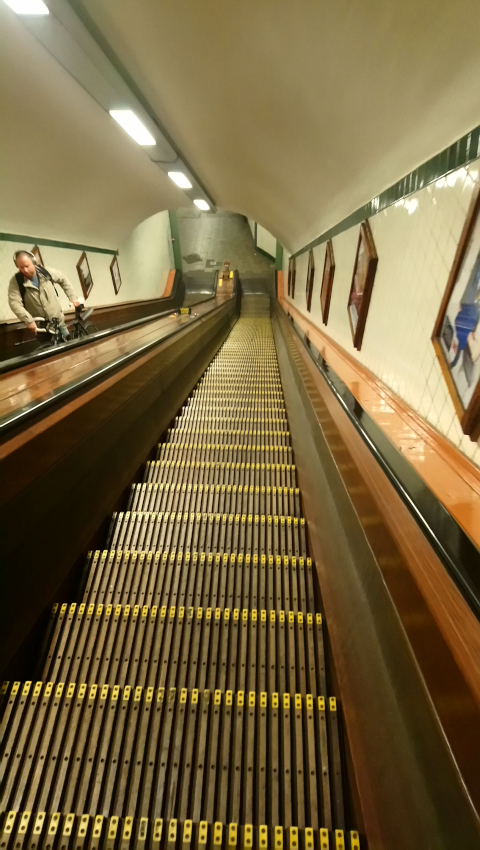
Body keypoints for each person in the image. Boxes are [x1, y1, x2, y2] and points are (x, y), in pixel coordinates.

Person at [8, 250, 81, 338]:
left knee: (69, 345)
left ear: (34, 262)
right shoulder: (16, 281)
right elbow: (14, 303)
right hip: (41, 327)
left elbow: (63, 279)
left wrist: (72, 297)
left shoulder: (46, 272)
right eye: (21, 267)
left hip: (59, 322)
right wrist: (28, 320)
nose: (24, 270)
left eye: (27, 266)